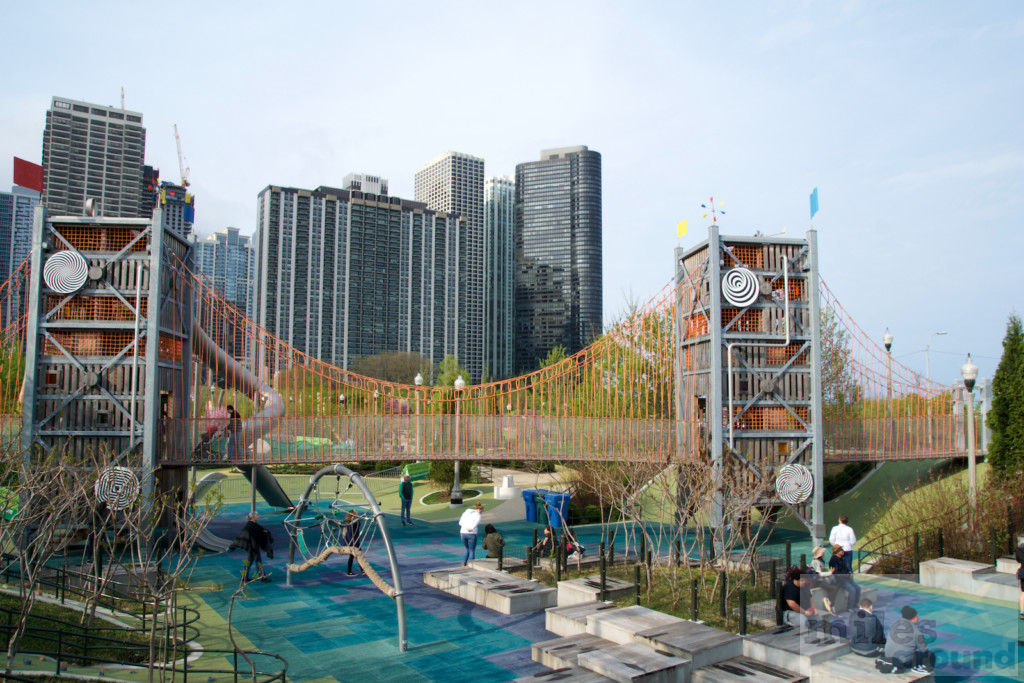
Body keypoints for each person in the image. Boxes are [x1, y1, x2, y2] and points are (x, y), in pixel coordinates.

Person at [884, 605, 935, 674]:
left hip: (888, 656)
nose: (918, 619)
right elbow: (923, 650)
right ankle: (921, 668)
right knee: (930, 655)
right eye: (917, 617)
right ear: (913, 618)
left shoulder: (894, 623)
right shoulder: (916, 630)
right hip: (904, 661)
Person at [230, 511, 273, 582]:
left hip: (252, 547)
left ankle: (244, 576)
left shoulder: (250, 525)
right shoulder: (251, 526)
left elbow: (256, 532)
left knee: (249, 562)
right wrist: (264, 533)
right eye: (257, 516)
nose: (258, 517)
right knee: (258, 562)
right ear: (253, 517)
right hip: (254, 548)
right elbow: (256, 533)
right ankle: (263, 577)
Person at [781, 564, 819, 631]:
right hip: (791, 612)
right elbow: (792, 604)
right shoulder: (789, 587)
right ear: (796, 580)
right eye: (802, 580)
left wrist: (813, 609)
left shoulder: (805, 586)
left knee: (819, 618)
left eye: (804, 580)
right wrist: (804, 612)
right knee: (804, 622)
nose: (804, 582)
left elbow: (811, 598)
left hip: (805, 610)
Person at [828, 544, 861, 611]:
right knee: (852, 589)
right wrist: (846, 575)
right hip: (840, 579)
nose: (843, 551)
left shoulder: (842, 558)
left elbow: (845, 569)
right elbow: (836, 573)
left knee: (858, 588)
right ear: (837, 552)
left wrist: (849, 572)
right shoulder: (834, 560)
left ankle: (855, 604)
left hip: (847, 577)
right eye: (841, 550)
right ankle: (850, 607)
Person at [810, 545, 839, 616]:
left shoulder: (820, 561)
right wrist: (830, 573)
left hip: (823, 580)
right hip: (819, 581)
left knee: (837, 584)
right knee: (834, 589)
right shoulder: (816, 562)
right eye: (822, 552)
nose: (824, 553)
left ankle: (830, 601)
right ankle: (830, 603)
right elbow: (819, 573)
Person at [458, 502, 483, 566]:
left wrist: (465, 527)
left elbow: (460, 523)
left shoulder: (465, 513)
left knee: (467, 549)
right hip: (471, 533)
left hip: (463, 533)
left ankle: (464, 563)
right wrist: (470, 528)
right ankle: (472, 564)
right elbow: (476, 523)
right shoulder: (478, 515)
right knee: (472, 550)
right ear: (480, 509)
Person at [342, 509, 362, 576]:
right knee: (356, 555)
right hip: (353, 541)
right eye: (355, 511)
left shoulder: (349, 522)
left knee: (354, 556)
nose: (357, 511)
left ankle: (361, 570)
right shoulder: (354, 522)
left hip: (350, 540)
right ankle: (350, 571)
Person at [1015, 538, 1024, 620]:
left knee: (1023, 592)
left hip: (1022, 572)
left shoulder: (1019, 549)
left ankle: (1022, 612)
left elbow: (1018, 560)